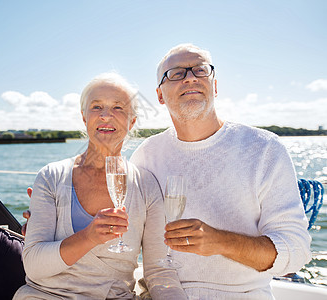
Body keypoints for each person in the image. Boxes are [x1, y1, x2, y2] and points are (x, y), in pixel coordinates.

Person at [129, 43, 312, 299]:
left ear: (214, 86)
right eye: (177, 73)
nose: (190, 77)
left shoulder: (264, 149)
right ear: (160, 95)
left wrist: (220, 242)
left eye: (200, 70)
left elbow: (296, 252)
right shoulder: (145, 156)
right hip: (164, 293)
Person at [13, 73, 186, 299]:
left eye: (118, 108)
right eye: (97, 107)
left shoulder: (146, 185)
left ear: (131, 121)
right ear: (84, 117)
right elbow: (34, 266)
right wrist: (89, 237)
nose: (106, 116)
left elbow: (159, 270)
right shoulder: (51, 176)